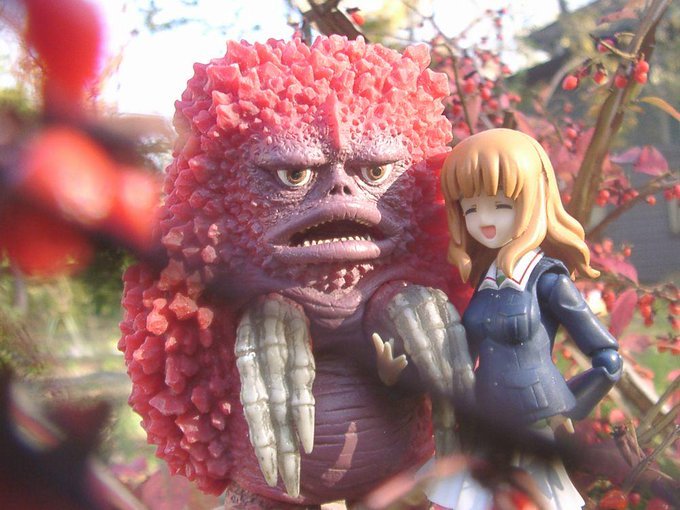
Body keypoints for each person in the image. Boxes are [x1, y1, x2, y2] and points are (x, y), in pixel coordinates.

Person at [426, 128, 623, 509]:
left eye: (500, 205)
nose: (484, 220)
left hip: (534, 419)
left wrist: (570, 405)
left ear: (533, 199)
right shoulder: (485, 283)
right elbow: (460, 358)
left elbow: (609, 359)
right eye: (470, 208)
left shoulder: (547, 281)